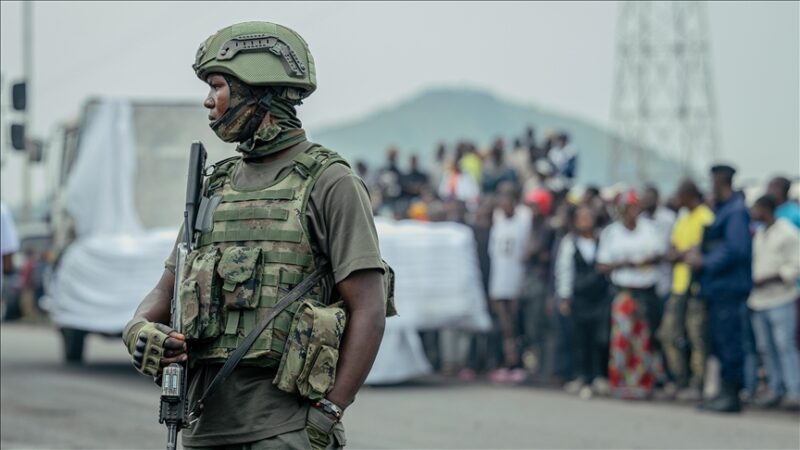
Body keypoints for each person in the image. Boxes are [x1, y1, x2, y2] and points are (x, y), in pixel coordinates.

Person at [123, 21, 394, 450]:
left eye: (218, 86)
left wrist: (328, 414)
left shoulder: (330, 182)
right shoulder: (214, 186)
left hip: (283, 432)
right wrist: (138, 330)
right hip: (201, 426)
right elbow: (165, 291)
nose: (208, 102)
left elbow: (370, 309)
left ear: (258, 91)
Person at [687, 164, 752, 413]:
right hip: (717, 287)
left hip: (729, 287)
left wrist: (705, 260)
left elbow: (736, 249)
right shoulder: (724, 210)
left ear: (720, 181)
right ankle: (723, 392)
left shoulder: (735, 211)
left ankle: (731, 395)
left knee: (729, 341)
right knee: (720, 341)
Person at [597, 191, 665, 399]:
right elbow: (602, 264)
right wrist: (624, 263)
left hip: (646, 291)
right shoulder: (612, 233)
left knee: (643, 339)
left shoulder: (650, 229)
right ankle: (619, 381)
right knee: (622, 338)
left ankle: (642, 383)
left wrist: (643, 261)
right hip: (624, 292)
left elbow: (660, 254)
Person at [656, 180, 713, 402]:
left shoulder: (705, 217)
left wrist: (680, 255)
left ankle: (697, 384)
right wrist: (679, 255)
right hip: (678, 286)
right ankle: (680, 379)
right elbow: (674, 250)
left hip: (696, 288)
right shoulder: (682, 217)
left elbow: (697, 253)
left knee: (696, 336)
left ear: (688, 195)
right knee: (668, 334)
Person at [747, 195, 800, 409]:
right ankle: (775, 388)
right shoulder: (760, 232)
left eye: (756, 209)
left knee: (785, 345)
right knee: (766, 348)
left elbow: (796, 265)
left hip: (781, 297)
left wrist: (772, 277)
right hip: (759, 300)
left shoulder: (787, 232)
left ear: (765, 209)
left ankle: (793, 391)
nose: (752, 213)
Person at [556, 205, 611, 397]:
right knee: (580, 338)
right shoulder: (570, 242)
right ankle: (582, 376)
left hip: (600, 297)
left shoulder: (602, 240)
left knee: (600, 337)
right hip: (580, 298)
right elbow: (564, 270)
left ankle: (599, 376)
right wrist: (565, 296)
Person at [487, 185, 532, 383]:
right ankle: (507, 361)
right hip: (499, 281)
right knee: (504, 326)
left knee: (516, 323)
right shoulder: (498, 224)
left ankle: (518, 363)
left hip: (516, 280)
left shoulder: (523, 221)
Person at [639, 184, 677, 300]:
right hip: (644, 276)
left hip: (664, 273)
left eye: (651, 198)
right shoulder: (640, 219)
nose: (648, 201)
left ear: (657, 199)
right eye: (646, 198)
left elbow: (674, 244)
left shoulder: (669, 218)